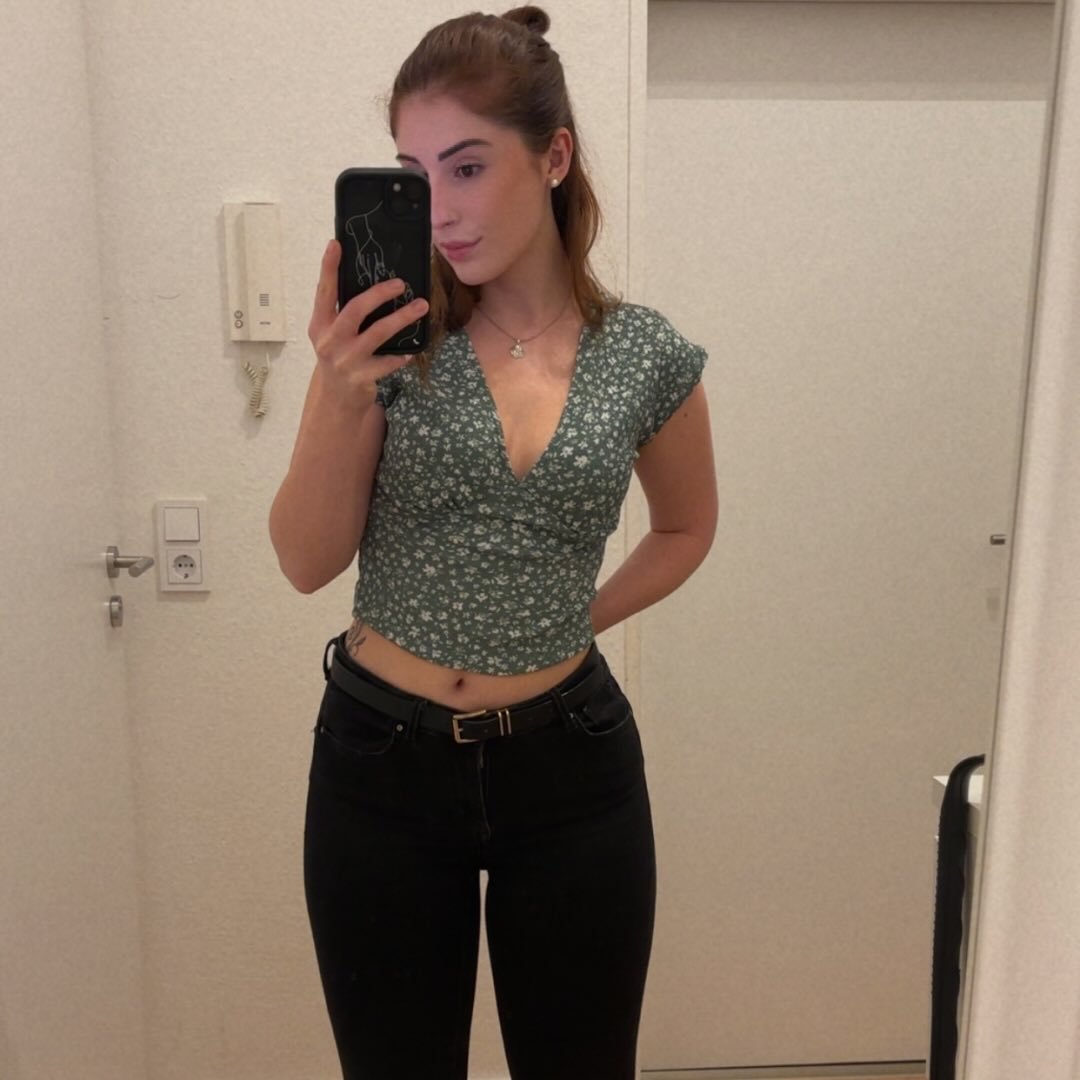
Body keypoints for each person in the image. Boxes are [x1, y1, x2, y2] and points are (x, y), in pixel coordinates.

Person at [269, 7, 717, 1079]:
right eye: (414, 175)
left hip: (570, 767)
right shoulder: (391, 339)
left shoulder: (643, 353)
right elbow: (304, 560)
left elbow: (687, 527)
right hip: (380, 764)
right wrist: (338, 390)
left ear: (553, 156)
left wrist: (569, 617)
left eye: (466, 167)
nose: (441, 210)